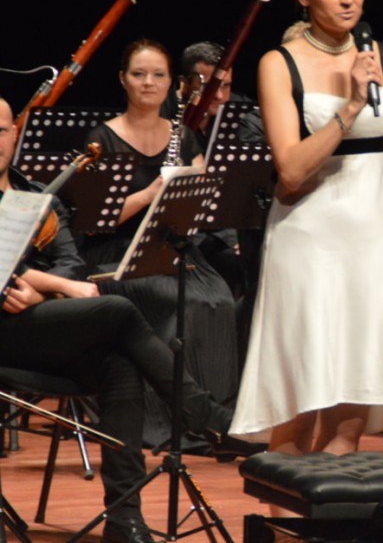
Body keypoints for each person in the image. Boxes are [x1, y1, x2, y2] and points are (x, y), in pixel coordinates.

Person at [0, 96, 253, 543]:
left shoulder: (37, 194)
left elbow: (71, 261)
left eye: (0, 130)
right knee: (117, 310)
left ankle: (125, 517)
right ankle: (201, 412)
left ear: (15, 133)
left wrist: (43, 288)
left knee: (120, 361)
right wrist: (52, 284)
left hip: (44, 323)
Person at [230, 0, 383, 463]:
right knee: (299, 406)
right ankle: (282, 505)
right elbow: (292, 170)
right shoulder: (280, 64)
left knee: (349, 422)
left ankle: (332, 507)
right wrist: (351, 106)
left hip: (369, 243)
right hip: (309, 243)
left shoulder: (381, 54)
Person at [81, 39, 240, 451]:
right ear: (123, 79)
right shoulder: (102, 137)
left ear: (172, 83)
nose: (149, 83)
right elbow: (96, 221)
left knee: (219, 300)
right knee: (177, 304)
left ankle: (215, 419)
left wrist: (194, 188)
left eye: (158, 75)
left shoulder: (182, 135)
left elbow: (201, 203)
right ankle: (170, 425)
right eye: (139, 74)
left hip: (170, 247)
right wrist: (152, 192)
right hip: (117, 255)